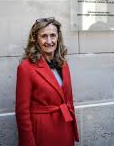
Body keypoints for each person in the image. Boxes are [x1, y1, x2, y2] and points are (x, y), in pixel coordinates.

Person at [15, 17, 79, 146]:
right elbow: (22, 111)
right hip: (42, 130)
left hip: (64, 125)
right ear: (36, 40)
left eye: (53, 35)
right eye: (44, 36)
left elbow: (69, 99)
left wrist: (71, 128)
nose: (49, 41)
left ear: (58, 38)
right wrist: (28, 142)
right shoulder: (26, 67)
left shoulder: (63, 63)